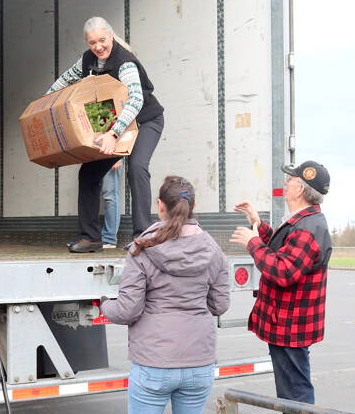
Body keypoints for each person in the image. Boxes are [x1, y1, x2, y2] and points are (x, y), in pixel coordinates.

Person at [101, 176, 230, 413]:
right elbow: (219, 305)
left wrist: (104, 305)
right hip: (199, 362)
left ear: (160, 205)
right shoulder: (214, 250)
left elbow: (128, 310)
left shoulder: (142, 248)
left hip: (154, 362)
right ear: (195, 205)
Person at [47, 16, 164, 252]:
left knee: (138, 168)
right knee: (89, 173)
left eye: (102, 40)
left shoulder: (125, 62)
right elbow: (64, 81)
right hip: (115, 122)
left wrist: (113, 134)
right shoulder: (88, 60)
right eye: (92, 43)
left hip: (144, 119)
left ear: (110, 36)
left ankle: (143, 236)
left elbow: (136, 100)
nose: (98, 46)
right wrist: (45, 102)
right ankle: (90, 237)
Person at [230, 160, 332, 406]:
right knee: (291, 392)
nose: (285, 184)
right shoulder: (305, 222)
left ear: (300, 189)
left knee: (295, 396)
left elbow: (284, 271)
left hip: (290, 329)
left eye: (290, 180)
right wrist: (257, 223)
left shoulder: (308, 227)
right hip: (288, 327)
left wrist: (252, 243)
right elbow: (284, 249)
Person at [101, 158, 124, 248]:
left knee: (110, 195)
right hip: (94, 150)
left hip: (111, 151)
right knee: (91, 194)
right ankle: (92, 237)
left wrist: (117, 156)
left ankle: (109, 238)